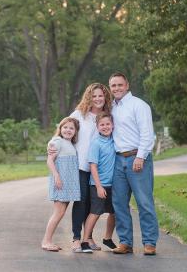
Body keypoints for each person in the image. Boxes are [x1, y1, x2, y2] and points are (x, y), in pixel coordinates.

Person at [108, 72, 158, 255]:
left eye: (120, 85)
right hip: (118, 159)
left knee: (144, 201)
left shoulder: (139, 105)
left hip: (137, 158)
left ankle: (150, 242)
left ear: (127, 85)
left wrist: (140, 157)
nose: (117, 88)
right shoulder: (111, 107)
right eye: (113, 86)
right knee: (119, 203)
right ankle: (125, 242)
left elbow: (147, 134)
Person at [67, 83, 116, 252]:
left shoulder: (106, 116)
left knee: (91, 206)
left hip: (98, 171)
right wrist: (53, 146)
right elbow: (64, 131)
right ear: (89, 97)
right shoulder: (79, 115)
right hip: (80, 166)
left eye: (100, 96)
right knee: (81, 203)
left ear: (105, 97)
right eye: (94, 96)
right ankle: (76, 239)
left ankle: (88, 238)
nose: (97, 99)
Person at [41, 117, 81, 252]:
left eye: (71, 128)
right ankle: (46, 241)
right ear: (60, 129)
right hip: (60, 182)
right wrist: (57, 176)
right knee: (58, 213)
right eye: (65, 127)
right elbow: (49, 161)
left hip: (68, 184)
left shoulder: (70, 144)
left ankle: (49, 240)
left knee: (61, 212)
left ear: (75, 132)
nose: (68, 130)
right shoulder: (57, 142)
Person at [80, 113, 117, 253]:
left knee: (114, 213)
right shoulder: (96, 143)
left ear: (112, 125)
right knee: (95, 212)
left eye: (108, 124)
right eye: (102, 124)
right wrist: (99, 186)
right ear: (97, 127)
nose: (105, 127)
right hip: (98, 185)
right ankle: (85, 241)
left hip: (113, 185)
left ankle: (107, 238)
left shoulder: (114, 140)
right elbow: (93, 166)